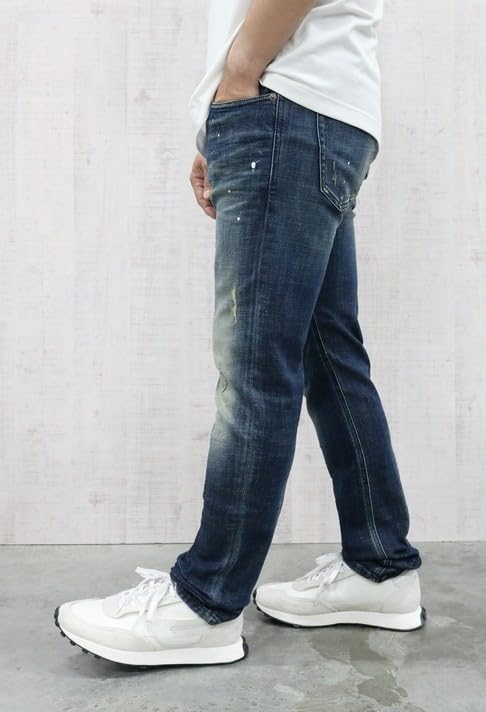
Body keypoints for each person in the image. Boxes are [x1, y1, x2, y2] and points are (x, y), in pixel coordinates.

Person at [55, 0, 425, 667]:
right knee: (329, 357)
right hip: (326, 115)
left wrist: (239, 78)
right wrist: (217, 123)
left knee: (257, 367)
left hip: (284, 108)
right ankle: (380, 565)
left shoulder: (270, 91)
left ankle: (208, 599)